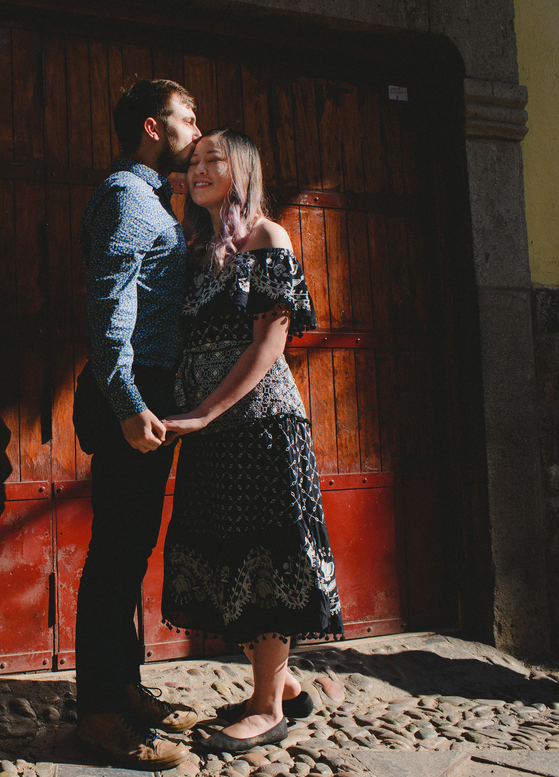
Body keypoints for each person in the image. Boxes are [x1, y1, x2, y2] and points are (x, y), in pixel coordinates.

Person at [159, 129, 343, 753]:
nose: (201, 168)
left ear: (243, 171)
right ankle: (284, 684)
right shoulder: (198, 248)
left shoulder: (267, 237)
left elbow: (270, 343)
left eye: (215, 159)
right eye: (194, 161)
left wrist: (206, 412)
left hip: (261, 427)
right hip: (209, 428)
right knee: (222, 558)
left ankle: (268, 709)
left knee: (263, 561)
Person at [71, 79, 201, 769]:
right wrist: (127, 405)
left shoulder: (153, 199)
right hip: (131, 393)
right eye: (188, 115)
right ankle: (97, 713)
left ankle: (123, 686)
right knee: (115, 555)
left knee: (129, 551)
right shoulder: (126, 196)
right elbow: (108, 314)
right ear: (153, 126)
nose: (197, 126)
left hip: (146, 391)